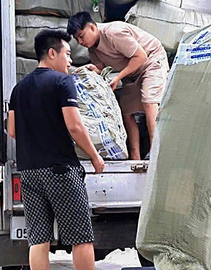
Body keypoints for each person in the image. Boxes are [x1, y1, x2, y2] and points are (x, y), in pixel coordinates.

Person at [7, 29, 105, 270]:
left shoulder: (19, 88)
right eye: (68, 54)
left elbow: (12, 130)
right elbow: (74, 126)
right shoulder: (63, 82)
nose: (70, 61)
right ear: (52, 53)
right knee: (81, 238)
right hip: (60, 170)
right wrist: (95, 156)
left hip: (29, 172)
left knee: (38, 240)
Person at [67, 12, 168, 160]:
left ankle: (155, 151)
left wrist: (118, 77)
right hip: (131, 72)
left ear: (92, 27)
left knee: (149, 101)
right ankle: (135, 156)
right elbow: (100, 68)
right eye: (77, 39)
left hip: (151, 61)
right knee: (126, 112)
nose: (80, 41)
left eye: (81, 36)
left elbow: (141, 57)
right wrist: (90, 70)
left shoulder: (113, 33)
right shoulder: (92, 48)